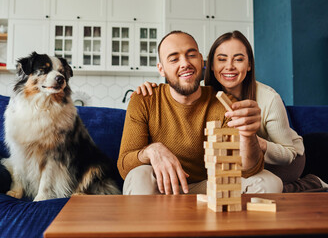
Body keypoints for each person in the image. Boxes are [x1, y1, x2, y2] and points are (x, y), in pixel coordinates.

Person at [135, 30, 328, 192]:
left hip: (284, 160)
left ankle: (309, 184)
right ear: (210, 64)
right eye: (222, 59)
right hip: (242, 159)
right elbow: (178, 84)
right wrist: (155, 86)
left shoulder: (269, 98)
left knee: (270, 184)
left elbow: (288, 154)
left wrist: (255, 141)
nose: (229, 66)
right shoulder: (207, 91)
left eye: (238, 59)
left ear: (249, 64)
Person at [118, 30, 283, 195]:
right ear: (161, 69)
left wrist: (248, 135)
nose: (185, 63)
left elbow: (247, 170)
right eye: (174, 59)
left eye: (191, 55)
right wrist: (152, 151)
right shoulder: (144, 99)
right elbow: (125, 167)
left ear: (201, 60)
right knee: (139, 175)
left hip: (209, 188)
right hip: (164, 187)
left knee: (269, 182)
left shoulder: (225, 103)